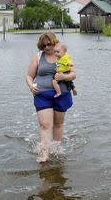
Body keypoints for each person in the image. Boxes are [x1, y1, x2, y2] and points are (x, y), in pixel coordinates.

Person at [26, 32, 76, 163]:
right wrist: (31, 86)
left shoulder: (64, 56)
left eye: (49, 44)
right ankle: (45, 154)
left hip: (62, 94)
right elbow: (29, 76)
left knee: (58, 124)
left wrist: (64, 77)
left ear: (54, 42)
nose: (47, 47)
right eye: (43, 45)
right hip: (42, 95)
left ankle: (57, 150)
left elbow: (73, 74)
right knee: (45, 125)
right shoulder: (37, 57)